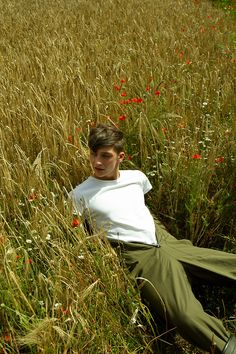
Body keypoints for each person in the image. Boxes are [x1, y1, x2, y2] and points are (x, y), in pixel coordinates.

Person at [69, 123, 236, 353]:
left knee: (227, 263)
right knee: (185, 314)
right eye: (93, 154)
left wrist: (160, 234)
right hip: (139, 255)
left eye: (105, 156)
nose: (97, 162)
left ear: (120, 157)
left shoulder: (136, 177)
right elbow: (79, 235)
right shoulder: (79, 195)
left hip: (162, 239)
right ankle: (228, 346)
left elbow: (141, 208)